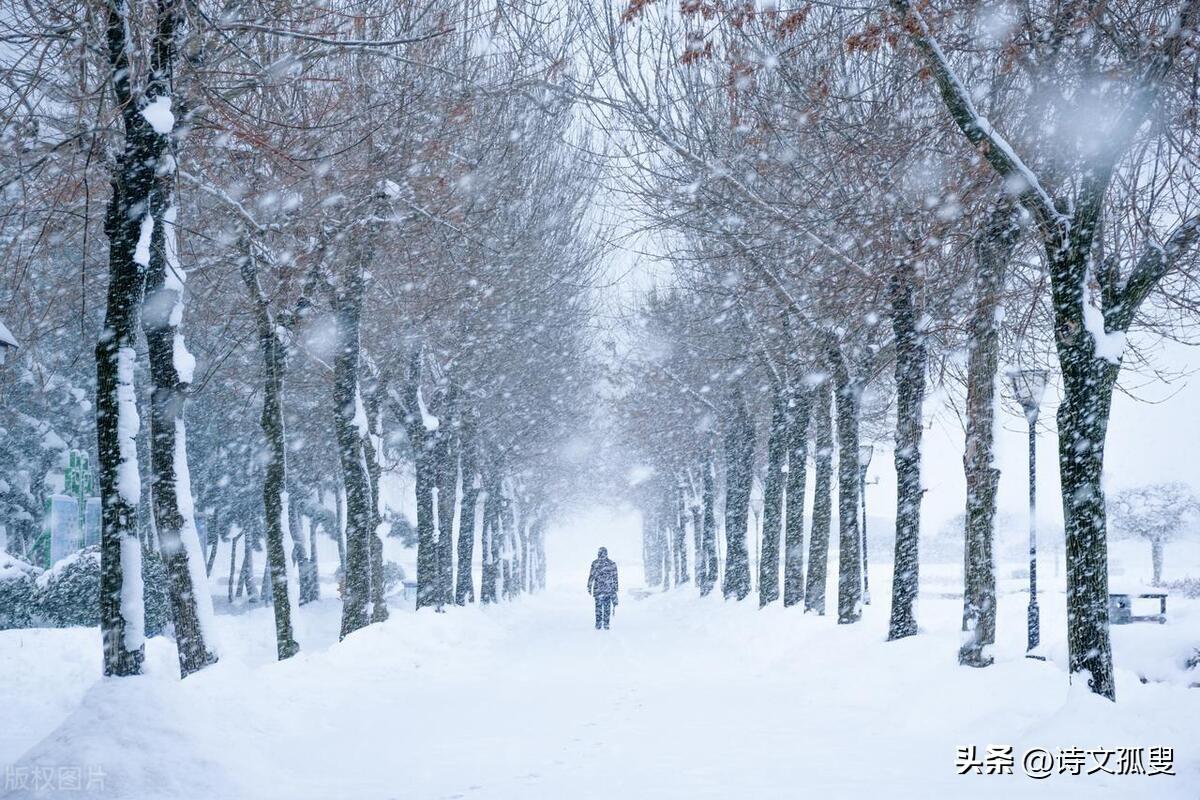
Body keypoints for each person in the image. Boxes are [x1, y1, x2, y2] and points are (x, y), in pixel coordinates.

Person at [587, 547, 619, 630]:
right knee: (607, 608)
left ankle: (598, 624)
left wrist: (589, 586)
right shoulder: (612, 564)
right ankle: (606, 624)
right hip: (608, 590)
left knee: (598, 608)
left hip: (598, 590)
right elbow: (615, 577)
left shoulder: (595, 563)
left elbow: (591, 576)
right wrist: (615, 588)